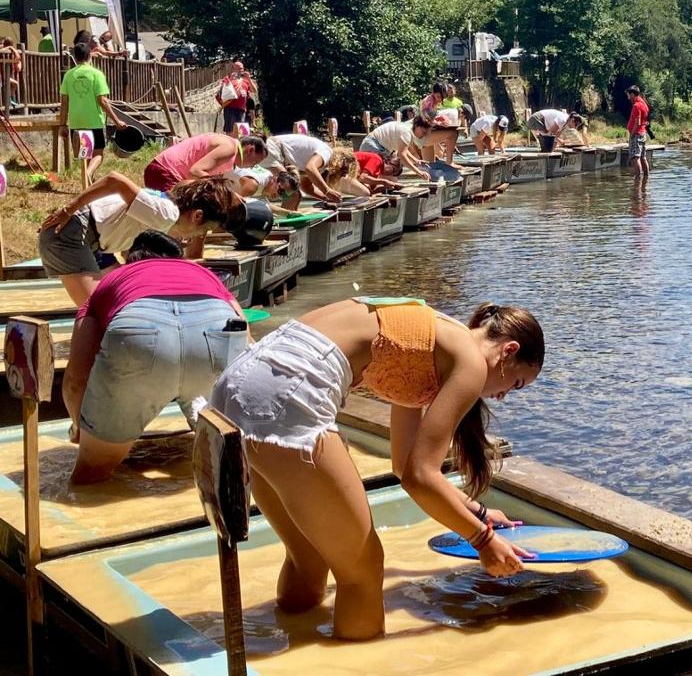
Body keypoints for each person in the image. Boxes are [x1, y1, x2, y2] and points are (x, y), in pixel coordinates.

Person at [210, 299, 545, 639]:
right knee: (363, 571)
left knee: (308, 555)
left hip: (238, 384)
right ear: (508, 351)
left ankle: (293, 643)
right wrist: (482, 540)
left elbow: (404, 467)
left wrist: (478, 511)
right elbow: (420, 477)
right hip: (285, 396)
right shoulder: (470, 362)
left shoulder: (431, 338)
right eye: (515, 384)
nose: (503, 396)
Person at [62, 230, 249, 484]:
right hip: (217, 331)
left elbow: (76, 377)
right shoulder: (205, 275)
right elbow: (246, 338)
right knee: (231, 466)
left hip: (139, 331)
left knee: (89, 482)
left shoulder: (113, 280)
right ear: (177, 258)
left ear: (131, 259)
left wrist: (83, 427)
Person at [38, 174, 247, 305]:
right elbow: (114, 180)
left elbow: (129, 251)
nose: (196, 237)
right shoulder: (166, 213)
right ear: (197, 216)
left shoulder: (165, 210)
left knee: (123, 295)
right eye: (201, 231)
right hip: (71, 235)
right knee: (95, 308)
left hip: (93, 242)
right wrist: (68, 209)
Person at [59, 42, 126, 184]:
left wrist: (62, 124)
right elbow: (102, 100)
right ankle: (88, 174)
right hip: (93, 121)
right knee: (98, 153)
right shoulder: (96, 74)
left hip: (76, 121)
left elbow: (64, 102)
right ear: (90, 55)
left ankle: (87, 181)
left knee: (85, 154)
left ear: (75, 58)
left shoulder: (69, 75)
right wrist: (116, 121)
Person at [143, 133, 268, 192]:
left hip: (164, 170)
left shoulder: (230, 147)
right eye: (255, 162)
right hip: (165, 172)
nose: (252, 167)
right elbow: (196, 171)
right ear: (250, 150)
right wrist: (219, 189)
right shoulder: (229, 148)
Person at [262, 133, 342, 203]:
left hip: (276, 152)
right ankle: (287, 216)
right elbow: (310, 168)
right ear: (340, 161)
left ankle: (286, 214)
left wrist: (326, 198)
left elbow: (305, 186)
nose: (344, 174)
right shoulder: (327, 152)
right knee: (291, 191)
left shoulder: (323, 164)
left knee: (291, 190)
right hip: (273, 149)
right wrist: (327, 191)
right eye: (345, 170)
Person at [360, 115, 428, 175]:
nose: (424, 135)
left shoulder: (408, 128)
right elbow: (402, 155)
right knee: (389, 176)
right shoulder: (407, 133)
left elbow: (403, 150)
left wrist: (416, 161)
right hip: (374, 146)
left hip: (374, 144)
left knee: (391, 177)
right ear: (417, 126)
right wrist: (419, 172)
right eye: (423, 132)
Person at [225, 164, 301, 202]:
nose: (279, 196)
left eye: (284, 196)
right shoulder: (254, 185)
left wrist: (288, 213)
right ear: (275, 179)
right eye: (281, 191)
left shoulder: (267, 177)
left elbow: (265, 205)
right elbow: (233, 205)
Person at [218, 61, 252, 134]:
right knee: (230, 130)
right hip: (230, 107)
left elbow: (253, 90)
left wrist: (249, 78)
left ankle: (239, 145)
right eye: (239, 68)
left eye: (242, 68)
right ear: (233, 69)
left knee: (241, 132)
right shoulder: (228, 78)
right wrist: (230, 79)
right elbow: (223, 90)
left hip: (242, 109)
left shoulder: (245, 80)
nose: (241, 70)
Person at [625, 86, 650, 181]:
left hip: (637, 134)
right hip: (643, 133)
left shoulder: (636, 106)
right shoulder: (644, 104)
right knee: (643, 158)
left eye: (628, 95)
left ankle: (638, 181)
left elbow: (638, 122)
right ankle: (646, 180)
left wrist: (631, 135)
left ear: (632, 94)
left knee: (635, 158)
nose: (628, 98)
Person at [1, 37, 22, 105]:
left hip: (5, 76)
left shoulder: (10, 51)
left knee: (15, 84)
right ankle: (10, 99)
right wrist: (11, 48)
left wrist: (12, 49)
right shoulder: (3, 49)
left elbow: (18, 58)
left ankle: (10, 99)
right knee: (14, 84)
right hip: (2, 76)